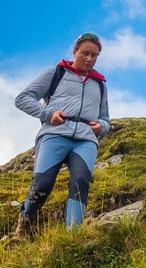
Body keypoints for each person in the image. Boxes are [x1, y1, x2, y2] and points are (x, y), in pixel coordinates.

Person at [12, 33, 110, 241]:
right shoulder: (56, 73)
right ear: (74, 51)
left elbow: (105, 118)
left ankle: (72, 236)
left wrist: (101, 126)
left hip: (85, 140)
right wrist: (48, 113)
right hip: (54, 135)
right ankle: (25, 223)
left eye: (94, 55)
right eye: (85, 53)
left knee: (80, 180)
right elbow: (22, 98)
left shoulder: (100, 84)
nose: (89, 59)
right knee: (42, 184)